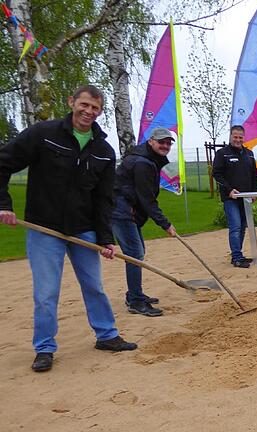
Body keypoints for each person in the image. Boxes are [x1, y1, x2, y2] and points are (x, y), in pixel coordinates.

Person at [0, 85, 138, 373]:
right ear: (71, 101)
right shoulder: (43, 134)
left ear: (100, 112)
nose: (88, 112)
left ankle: (107, 335)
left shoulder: (104, 151)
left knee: (94, 286)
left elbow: (104, 199)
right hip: (43, 227)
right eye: (84, 105)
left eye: (95, 108)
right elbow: (4, 162)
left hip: (83, 229)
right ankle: (45, 348)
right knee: (46, 293)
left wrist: (105, 239)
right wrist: (4, 204)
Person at [112, 127, 178, 317]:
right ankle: (135, 301)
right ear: (151, 142)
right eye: (161, 142)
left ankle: (134, 293)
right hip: (119, 211)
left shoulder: (148, 159)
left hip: (126, 209)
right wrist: (165, 224)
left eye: (168, 143)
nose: (165, 146)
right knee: (134, 253)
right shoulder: (142, 162)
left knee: (137, 251)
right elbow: (146, 198)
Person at [212, 125, 257, 268]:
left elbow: (253, 175)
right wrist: (229, 190)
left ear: (244, 137)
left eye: (240, 137)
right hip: (231, 198)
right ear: (231, 137)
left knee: (243, 226)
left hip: (246, 198)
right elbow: (217, 174)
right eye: (235, 137)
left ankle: (238, 255)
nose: (238, 140)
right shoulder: (222, 154)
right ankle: (237, 257)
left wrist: (254, 192)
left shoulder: (249, 154)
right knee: (235, 226)